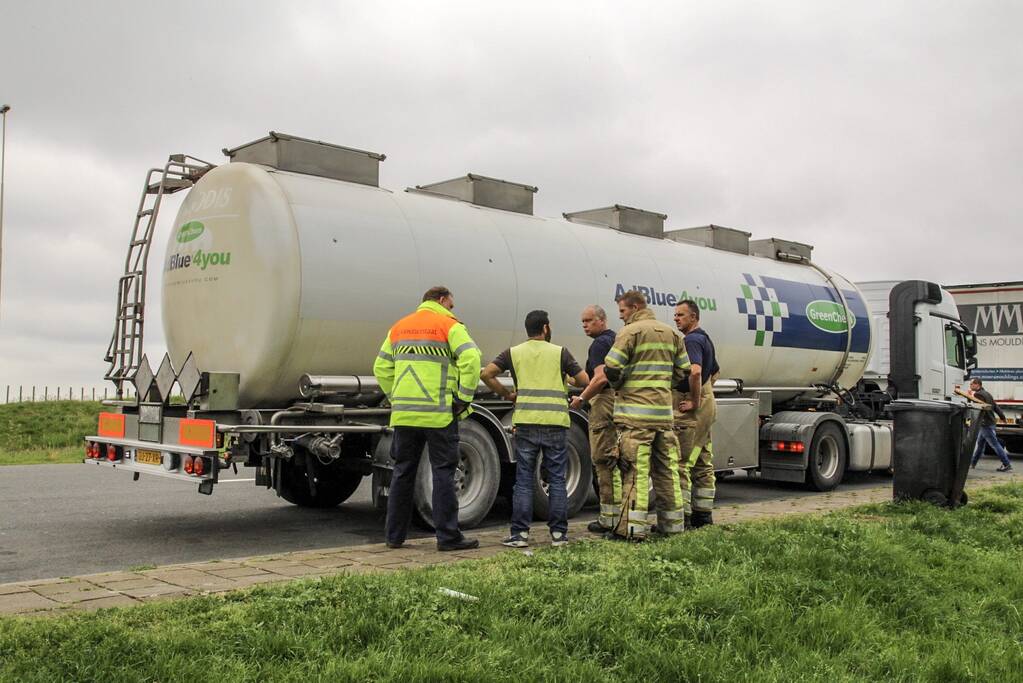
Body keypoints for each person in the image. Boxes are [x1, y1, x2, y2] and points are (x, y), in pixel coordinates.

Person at [373, 286, 482, 551]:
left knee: (402, 473)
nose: (452, 309)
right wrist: (464, 398)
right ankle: (448, 537)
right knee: (443, 473)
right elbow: (471, 358)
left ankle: (394, 537)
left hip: (405, 414)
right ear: (442, 300)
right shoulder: (449, 325)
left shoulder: (398, 327)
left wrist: (397, 397)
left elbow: (380, 367)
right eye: (451, 304)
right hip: (439, 413)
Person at [481, 310, 588, 547]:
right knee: (557, 480)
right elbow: (584, 381)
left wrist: (507, 394)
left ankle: (520, 535)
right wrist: (566, 379)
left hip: (526, 423)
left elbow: (487, 374)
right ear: (546, 328)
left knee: (524, 480)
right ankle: (559, 536)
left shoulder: (514, 353)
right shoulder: (560, 353)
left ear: (527, 329)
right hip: (556, 424)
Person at [603, 290, 690, 540]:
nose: (621, 317)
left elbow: (611, 367)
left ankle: (631, 531)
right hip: (663, 417)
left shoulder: (630, 332)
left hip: (635, 418)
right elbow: (684, 371)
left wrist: (620, 386)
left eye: (622, 311)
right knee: (668, 472)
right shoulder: (673, 334)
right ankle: (672, 527)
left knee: (635, 474)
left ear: (635, 307)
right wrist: (662, 386)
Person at [569, 305, 622, 534]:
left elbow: (599, 379)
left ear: (602, 320)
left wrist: (581, 398)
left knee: (603, 459)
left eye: (589, 320)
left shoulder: (600, 344)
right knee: (616, 459)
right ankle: (617, 516)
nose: (585, 325)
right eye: (582, 321)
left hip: (604, 402)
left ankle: (608, 519)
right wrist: (574, 381)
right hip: (618, 400)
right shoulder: (616, 340)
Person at [672, 299, 721, 528]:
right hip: (707, 404)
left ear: (693, 317)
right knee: (702, 461)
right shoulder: (705, 338)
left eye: (681, 315)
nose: (676, 318)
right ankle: (703, 515)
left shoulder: (690, 340)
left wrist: (693, 399)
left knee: (681, 462)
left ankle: (682, 517)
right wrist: (704, 395)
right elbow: (716, 371)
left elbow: (695, 371)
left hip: (693, 408)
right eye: (675, 315)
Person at [969, 378, 1013, 472]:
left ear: (977, 384)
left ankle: (1007, 464)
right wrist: (1002, 417)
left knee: (995, 444)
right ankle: (973, 463)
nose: (970, 386)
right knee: (980, 444)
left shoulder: (978, 394)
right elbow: (995, 406)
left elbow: (978, 410)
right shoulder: (987, 393)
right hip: (989, 422)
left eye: (971, 384)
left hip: (986, 424)